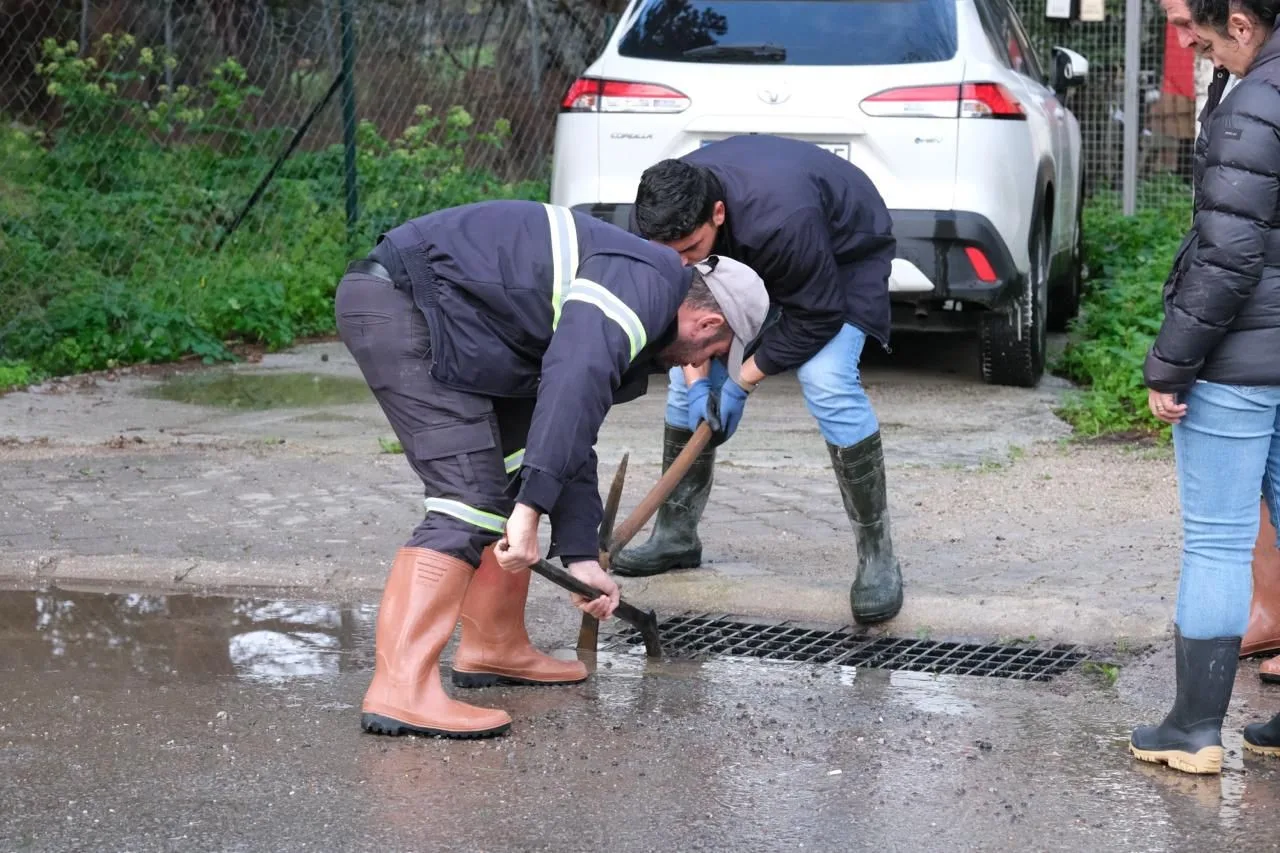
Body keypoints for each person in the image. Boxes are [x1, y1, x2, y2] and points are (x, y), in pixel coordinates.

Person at [336, 199, 768, 739]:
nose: (697, 363)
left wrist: (580, 555)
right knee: (468, 499)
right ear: (708, 320)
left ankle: (494, 646)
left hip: (466, 326)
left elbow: (570, 427)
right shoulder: (645, 286)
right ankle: (399, 690)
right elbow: (573, 382)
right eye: (715, 350)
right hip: (405, 305)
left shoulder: (641, 289)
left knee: (512, 474)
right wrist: (530, 510)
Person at [613, 134, 902, 626]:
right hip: (764, 245)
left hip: (840, 252)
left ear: (717, 214)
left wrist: (740, 382)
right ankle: (676, 534)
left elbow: (816, 314)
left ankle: (878, 556)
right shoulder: (655, 227)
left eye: (691, 249)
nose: (681, 264)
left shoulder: (782, 220)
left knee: (827, 380)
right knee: (684, 389)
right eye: (669, 255)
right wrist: (699, 378)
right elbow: (680, 317)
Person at [1129, 0, 1280, 774]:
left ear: (1242, 24)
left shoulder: (1255, 105)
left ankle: (1193, 729)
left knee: (1218, 541)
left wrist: (1171, 360)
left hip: (1241, 359)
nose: (1188, 43)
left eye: (1198, 30)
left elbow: (1228, 256)